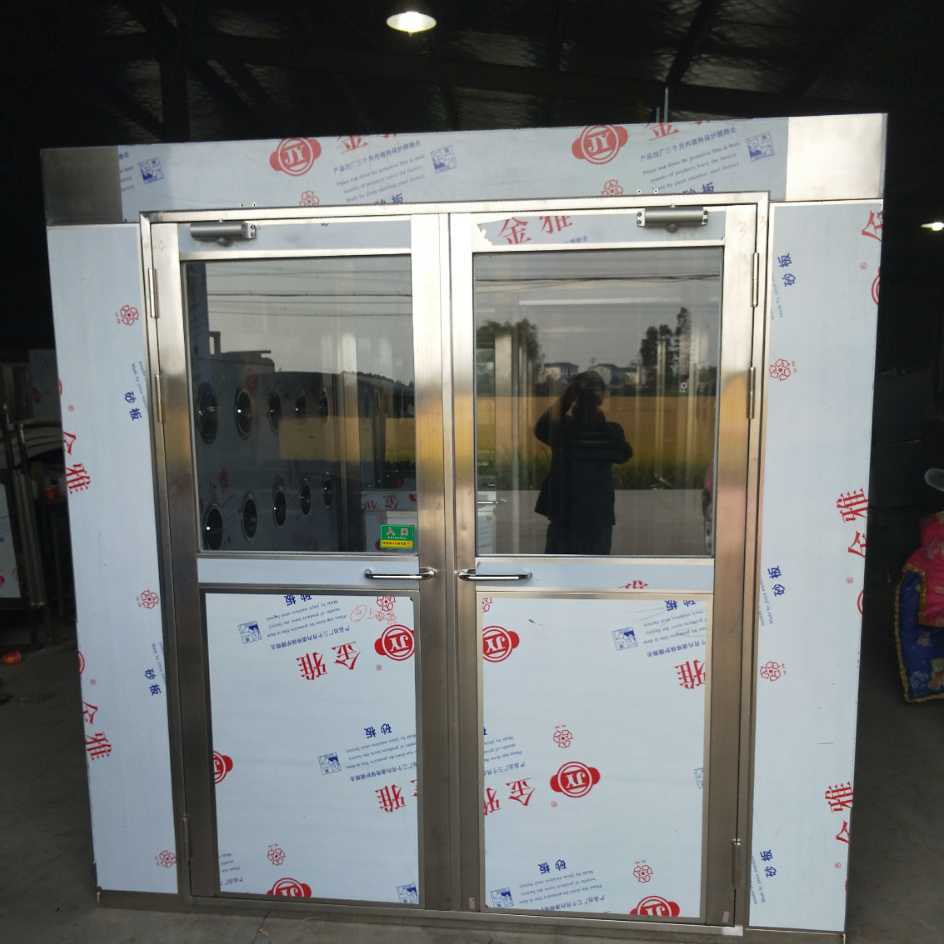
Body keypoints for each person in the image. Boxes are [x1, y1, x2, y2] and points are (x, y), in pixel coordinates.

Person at [534, 370, 632, 554]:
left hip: (580, 515)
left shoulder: (565, 429)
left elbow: (623, 454)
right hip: (578, 515)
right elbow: (541, 429)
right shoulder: (566, 428)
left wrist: (567, 400)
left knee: (563, 566)